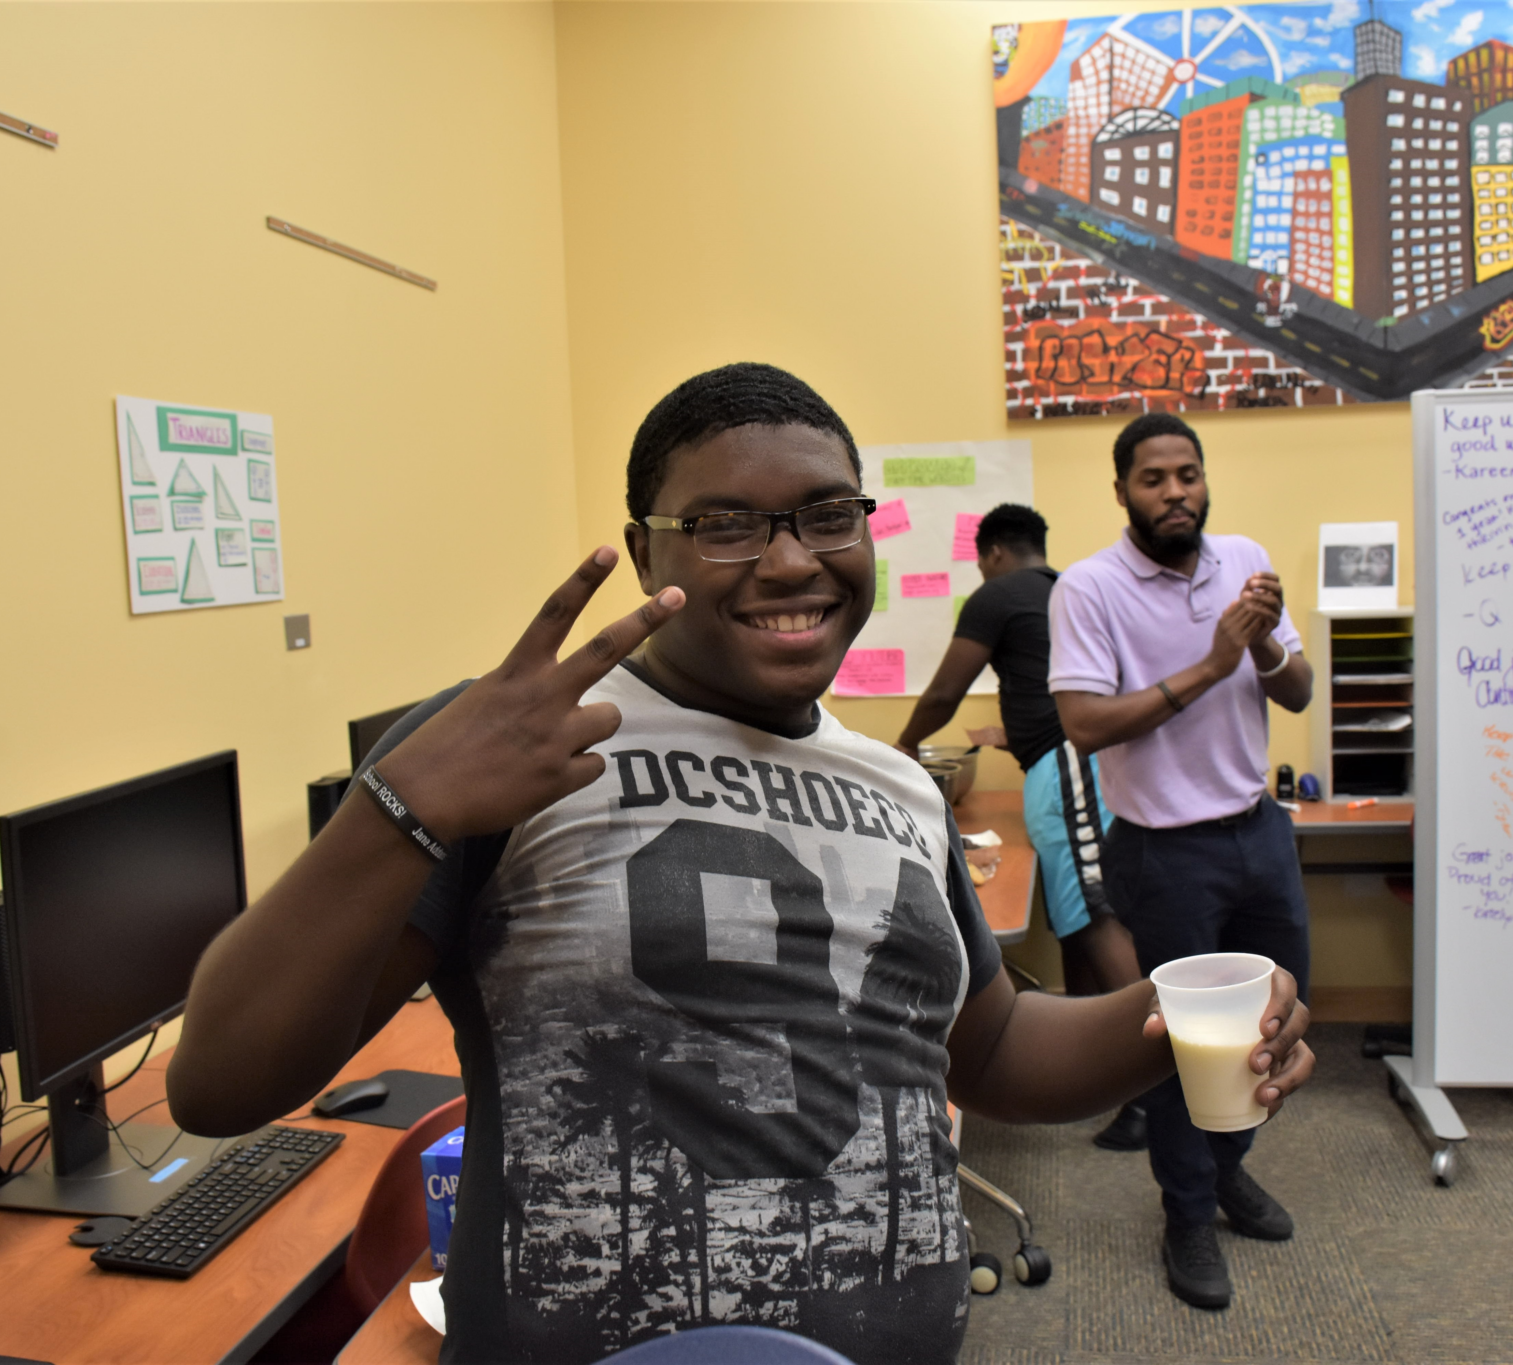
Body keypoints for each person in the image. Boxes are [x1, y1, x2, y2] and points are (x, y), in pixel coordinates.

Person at [168, 367, 1314, 1362]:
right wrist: (401, 799)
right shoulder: (525, 742)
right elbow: (220, 1083)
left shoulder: (897, 787)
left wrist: (1165, 1017)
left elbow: (992, 1047)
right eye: (725, 523)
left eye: (826, 516)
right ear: (640, 553)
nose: (787, 563)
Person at [1045, 411, 1316, 1313]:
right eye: (1154, 479)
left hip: (1259, 831)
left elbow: (1298, 688)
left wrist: (1267, 641)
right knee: (1179, 1050)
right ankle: (1189, 1215)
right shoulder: (1088, 588)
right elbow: (1083, 724)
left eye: (1187, 475)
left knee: (1271, 1026)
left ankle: (1227, 1171)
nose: (1175, 493)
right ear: (1121, 489)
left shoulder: (1244, 557)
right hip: (1164, 851)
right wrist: (1213, 663)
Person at [893, 502, 1149, 1152]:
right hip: (1069, 763)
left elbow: (944, 692)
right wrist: (1013, 734)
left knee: (1093, 912)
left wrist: (900, 748)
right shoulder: (1064, 590)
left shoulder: (997, 593)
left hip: (1067, 766)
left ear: (995, 552)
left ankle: (1156, 1085)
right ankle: (1104, 1076)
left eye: (981, 562)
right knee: (1073, 915)